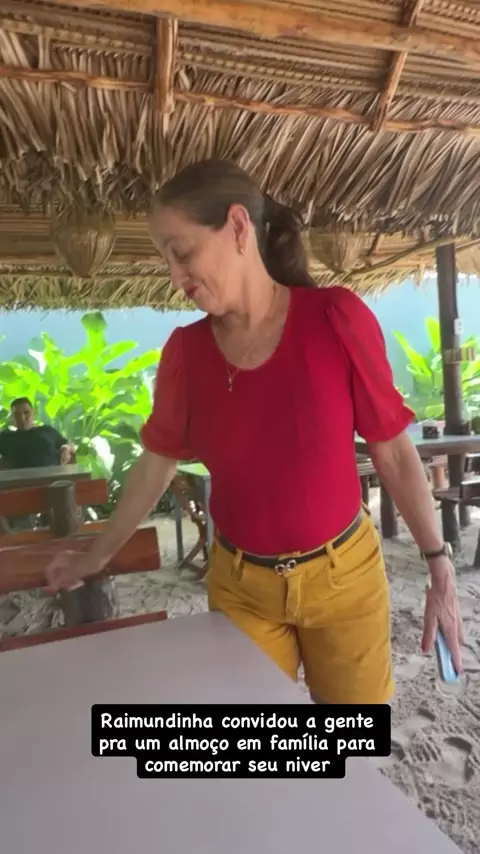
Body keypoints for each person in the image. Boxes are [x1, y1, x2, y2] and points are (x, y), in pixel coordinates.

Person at [46, 159, 463, 704]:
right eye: (166, 260)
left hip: (345, 579)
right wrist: (96, 555)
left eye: (182, 253)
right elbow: (156, 463)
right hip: (241, 587)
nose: (175, 277)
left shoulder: (335, 318)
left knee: (353, 744)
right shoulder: (185, 353)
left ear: (238, 227)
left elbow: (394, 453)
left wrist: (438, 564)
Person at [0, 398, 74, 469]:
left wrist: (66, 448)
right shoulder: (6, 437)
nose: (22, 418)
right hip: (19, 477)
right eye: (17, 414)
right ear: (12, 417)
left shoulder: (47, 430)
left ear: (33, 413)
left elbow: (68, 444)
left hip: (54, 475)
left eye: (26, 412)